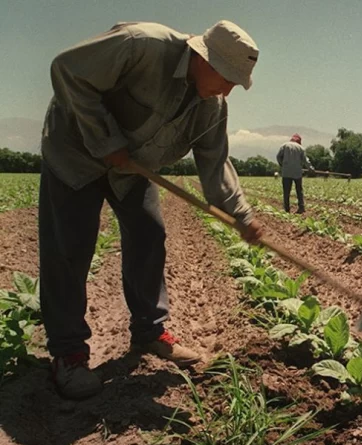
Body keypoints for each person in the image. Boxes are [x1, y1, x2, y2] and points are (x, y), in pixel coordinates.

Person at [39, 20, 263, 399]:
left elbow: (215, 163)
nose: (228, 89)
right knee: (69, 249)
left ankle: (149, 331)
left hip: (131, 169)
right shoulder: (140, 45)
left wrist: (242, 215)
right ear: (201, 58)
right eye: (226, 77)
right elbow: (67, 69)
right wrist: (105, 137)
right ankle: (69, 353)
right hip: (75, 155)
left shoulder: (212, 105)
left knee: (149, 235)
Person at [277, 134, 313, 214]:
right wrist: (310, 168)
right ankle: (301, 207)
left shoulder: (284, 145)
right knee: (299, 190)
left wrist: (282, 165)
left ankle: (286, 209)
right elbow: (305, 160)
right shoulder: (301, 148)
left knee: (286, 191)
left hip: (286, 172)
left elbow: (278, 157)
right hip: (297, 172)